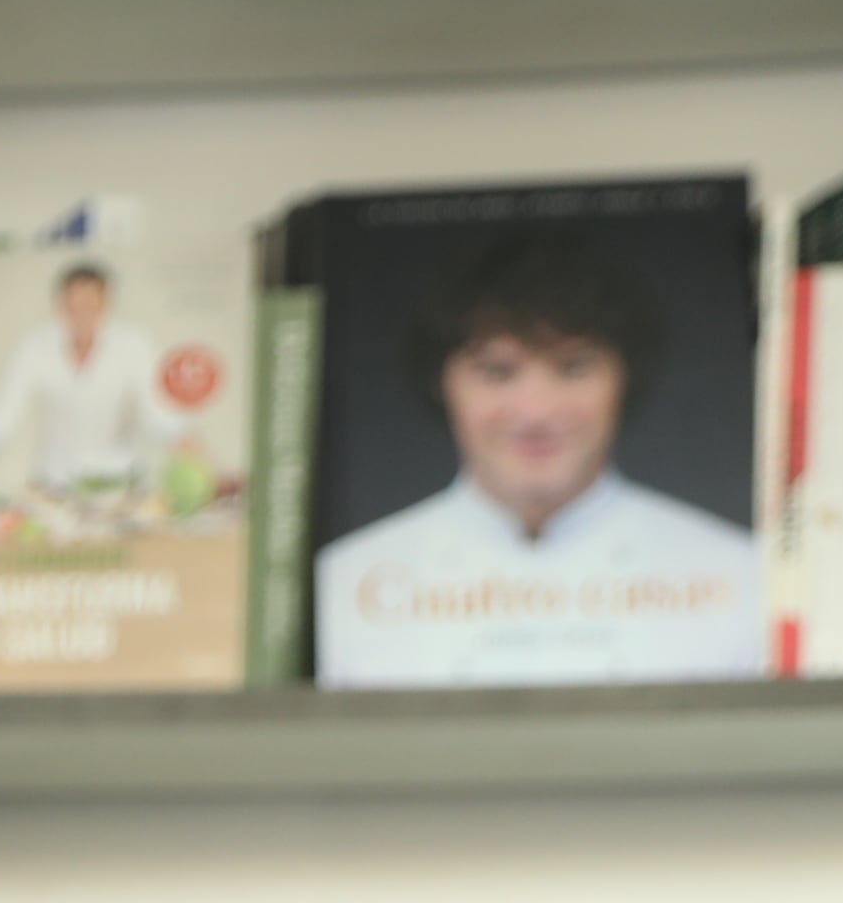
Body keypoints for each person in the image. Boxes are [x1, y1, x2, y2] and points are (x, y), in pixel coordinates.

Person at [315, 222, 761, 685]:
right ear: (441, 384)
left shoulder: (741, 574)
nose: (536, 412)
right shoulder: (342, 585)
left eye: (574, 368)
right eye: (497, 372)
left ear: (625, 379)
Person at [0, 259, 184, 519]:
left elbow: (159, 412)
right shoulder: (34, 347)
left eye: (91, 305)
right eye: (74, 306)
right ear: (60, 306)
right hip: (53, 489)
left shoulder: (134, 345)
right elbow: (4, 413)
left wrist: (188, 447)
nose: (82, 315)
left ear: (106, 305)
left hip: (121, 491)